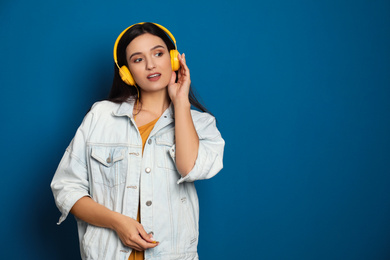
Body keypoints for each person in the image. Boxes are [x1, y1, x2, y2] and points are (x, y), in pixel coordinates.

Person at [51, 22, 225, 260]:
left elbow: (189, 167)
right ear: (126, 72)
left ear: (174, 60)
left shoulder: (202, 125)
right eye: (138, 59)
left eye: (158, 53)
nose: (151, 64)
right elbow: (66, 187)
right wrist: (117, 222)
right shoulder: (101, 116)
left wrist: (181, 101)